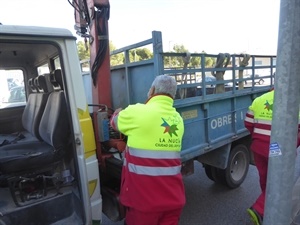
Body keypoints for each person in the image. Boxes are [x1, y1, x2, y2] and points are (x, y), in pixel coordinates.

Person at [110, 75, 185, 225]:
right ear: (173, 95)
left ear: (152, 90)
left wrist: (117, 113)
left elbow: (114, 123)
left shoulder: (137, 112)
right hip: (174, 199)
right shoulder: (178, 119)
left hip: (144, 203)